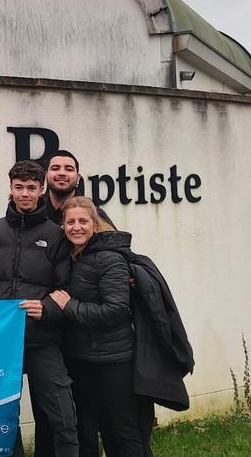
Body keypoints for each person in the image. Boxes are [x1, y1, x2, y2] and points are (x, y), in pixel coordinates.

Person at [0, 160, 78, 457]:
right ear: (11, 189)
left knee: (64, 418)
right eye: (19, 188)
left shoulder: (56, 235)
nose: (25, 194)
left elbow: (67, 286)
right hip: (1, 344)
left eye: (31, 188)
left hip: (42, 340)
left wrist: (47, 308)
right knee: (2, 420)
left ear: (42, 189)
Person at [49, 196, 154, 457]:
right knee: (102, 429)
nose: (76, 227)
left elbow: (116, 310)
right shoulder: (74, 257)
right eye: (70, 222)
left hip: (115, 361)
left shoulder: (109, 258)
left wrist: (70, 306)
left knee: (124, 431)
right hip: (85, 358)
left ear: (95, 226)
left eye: (83, 221)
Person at [44, 149, 115, 228]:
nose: (62, 173)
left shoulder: (94, 214)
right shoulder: (35, 210)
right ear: (46, 176)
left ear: (78, 178)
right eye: (55, 168)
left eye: (69, 169)